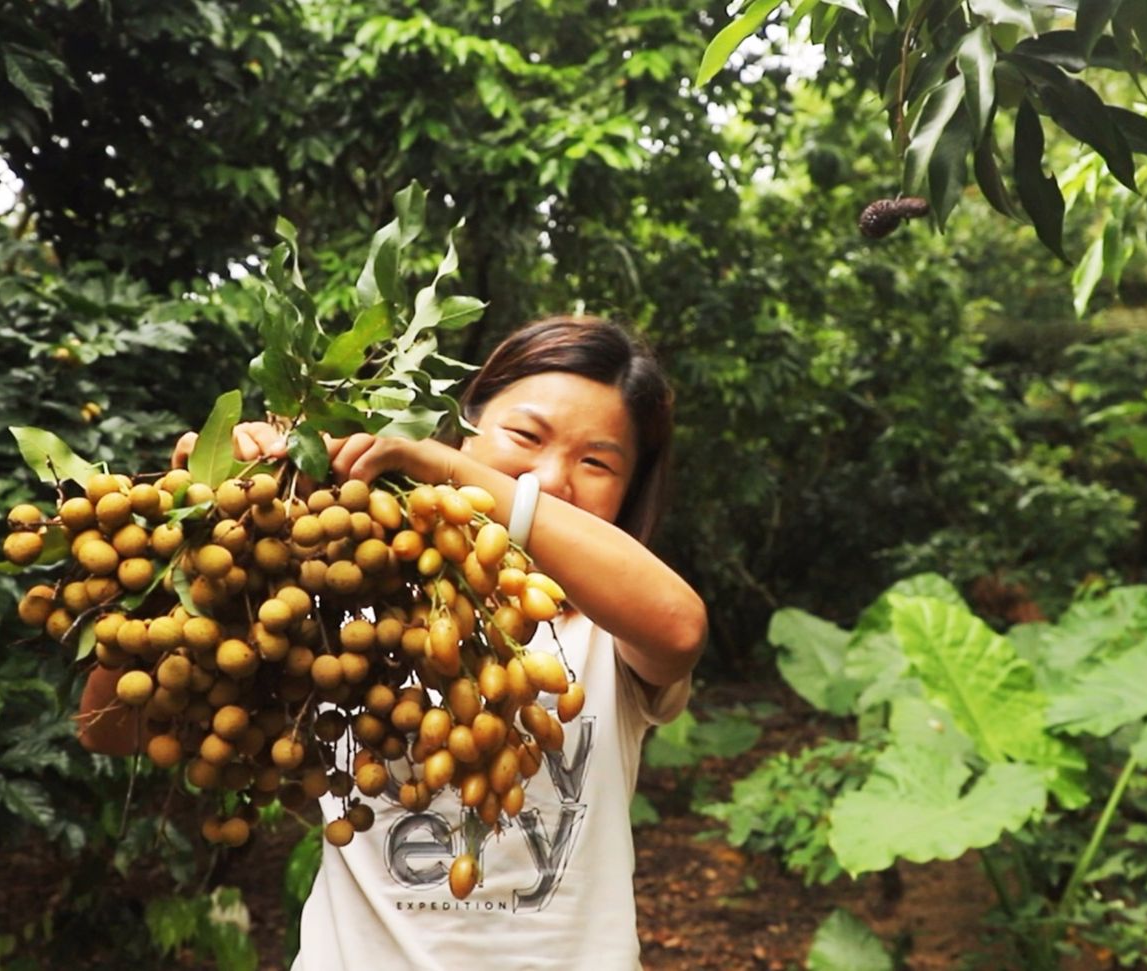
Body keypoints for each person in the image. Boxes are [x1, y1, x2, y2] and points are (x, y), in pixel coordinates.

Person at [79, 315, 707, 969]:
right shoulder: (337, 594)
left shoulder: (611, 626)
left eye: (596, 461)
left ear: (630, 490)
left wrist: (449, 472)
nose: (549, 478)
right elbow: (111, 727)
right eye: (525, 435)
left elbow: (680, 626)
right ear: (464, 425)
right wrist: (198, 532)